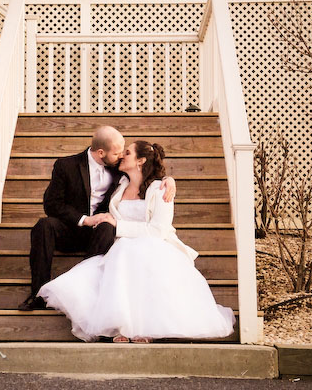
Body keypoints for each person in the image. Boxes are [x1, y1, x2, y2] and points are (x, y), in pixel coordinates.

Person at [37, 141, 236, 342]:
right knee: (121, 255)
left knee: (136, 256)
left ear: (140, 161)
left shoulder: (160, 189)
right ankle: (122, 326)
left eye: (128, 152)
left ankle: (144, 328)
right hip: (121, 244)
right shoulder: (120, 184)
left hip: (154, 244)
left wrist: (118, 224)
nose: (122, 155)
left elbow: (158, 230)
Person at [18, 127, 176, 311]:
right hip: (73, 227)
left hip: (102, 234)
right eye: (117, 153)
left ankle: (88, 289)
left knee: (107, 227)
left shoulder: (119, 168)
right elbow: (51, 205)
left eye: (123, 152)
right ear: (101, 153)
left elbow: (145, 172)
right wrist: (84, 219)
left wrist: (168, 179)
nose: (120, 157)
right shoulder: (66, 166)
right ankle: (38, 293)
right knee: (44, 225)